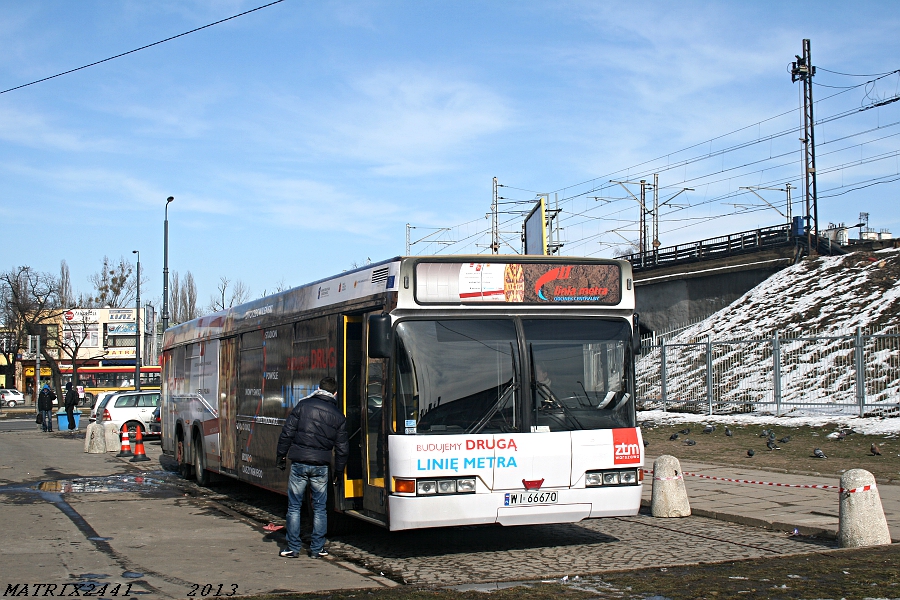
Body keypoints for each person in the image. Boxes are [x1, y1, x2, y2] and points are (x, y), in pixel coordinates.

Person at [275, 376, 348, 559]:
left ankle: (293, 547)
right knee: (320, 508)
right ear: (335, 393)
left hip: (299, 462)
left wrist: (281, 456)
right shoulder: (338, 416)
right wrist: (338, 471)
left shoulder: (302, 406)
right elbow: (342, 449)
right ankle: (317, 549)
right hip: (321, 466)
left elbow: (287, 433)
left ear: (318, 388)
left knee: (294, 507)